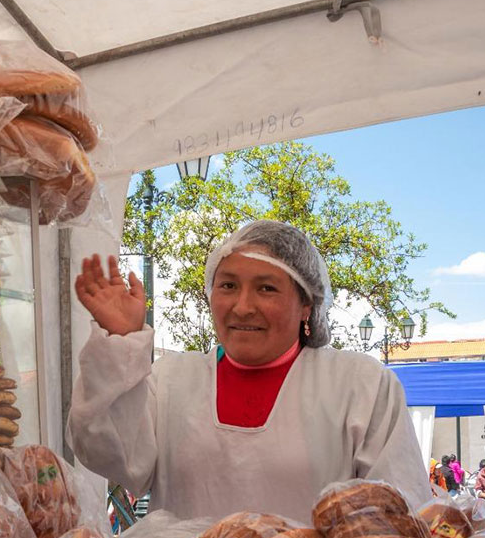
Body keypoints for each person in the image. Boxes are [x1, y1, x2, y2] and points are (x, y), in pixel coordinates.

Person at [68, 220, 430, 521]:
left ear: (306, 304)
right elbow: (109, 453)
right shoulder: (172, 379)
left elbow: (399, 511)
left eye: (266, 288)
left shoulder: (359, 385)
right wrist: (121, 339)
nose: (242, 307)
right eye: (228, 286)